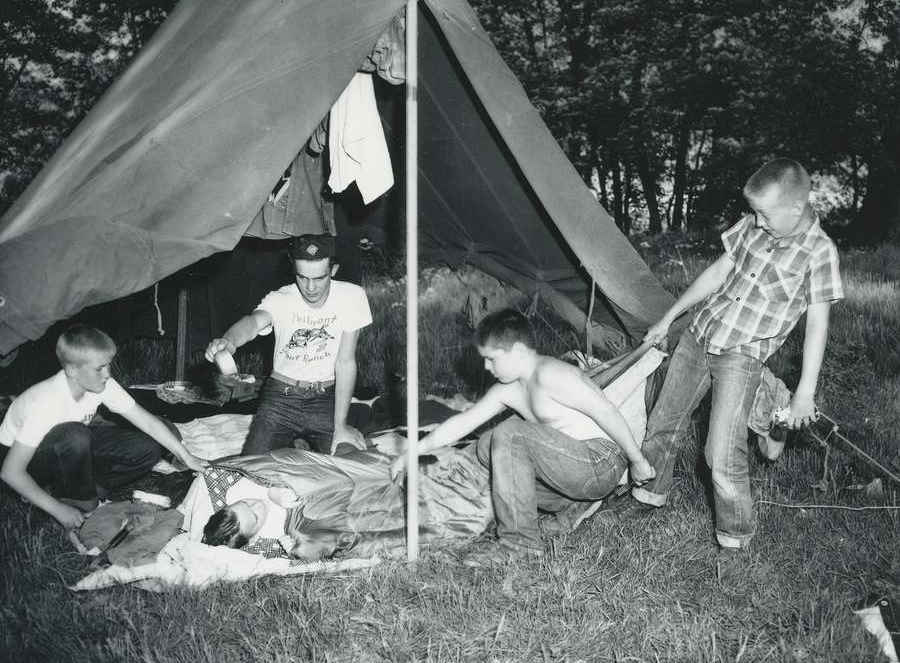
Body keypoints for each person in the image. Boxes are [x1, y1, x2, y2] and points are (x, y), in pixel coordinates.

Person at [623, 158, 843, 575]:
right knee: (664, 421)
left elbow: (817, 325)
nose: (757, 223)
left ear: (796, 208)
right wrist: (669, 318)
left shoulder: (820, 253)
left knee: (720, 452)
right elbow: (720, 271)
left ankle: (736, 538)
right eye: (754, 213)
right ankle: (649, 494)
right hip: (699, 336)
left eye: (765, 214)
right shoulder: (754, 225)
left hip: (742, 356)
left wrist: (805, 393)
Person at [389, 308, 656, 566]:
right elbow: (462, 422)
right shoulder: (511, 389)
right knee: (488, 443)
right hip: (570, 472)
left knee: (510, 434)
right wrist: (412, 451)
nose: (486, 366)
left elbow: (606, 411)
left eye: (491, 358)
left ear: (517, 352)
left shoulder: (552, 374)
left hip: (600, 461)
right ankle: (569, 506)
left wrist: (638, 460)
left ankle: (520, 544)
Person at [0, 325, 208, 530]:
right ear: (71, 369)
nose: (107, 373)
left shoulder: (100, 383)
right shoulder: (46, 403)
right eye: (99, 368)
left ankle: (79, 494)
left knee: (147, 449)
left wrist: (185, 455)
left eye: (108, 364)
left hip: (69, 444)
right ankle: (71, 500)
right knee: (75, 434)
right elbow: (10, 472)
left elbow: (146, 421)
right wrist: (56, 510)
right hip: (28, 461)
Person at [205, 234, 372, 456]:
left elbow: (345, 362)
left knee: (349, 469)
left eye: (319, 278)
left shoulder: (352, 296)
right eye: (302, 278)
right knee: (254, 471)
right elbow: (253, 322)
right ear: (293, 269)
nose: (310, 287)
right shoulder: (280, 298)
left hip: (326, 402)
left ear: (333, 270)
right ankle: (289, 446)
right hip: (280, 401)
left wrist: (340, 426)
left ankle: (299, 447)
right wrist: (229, 341)